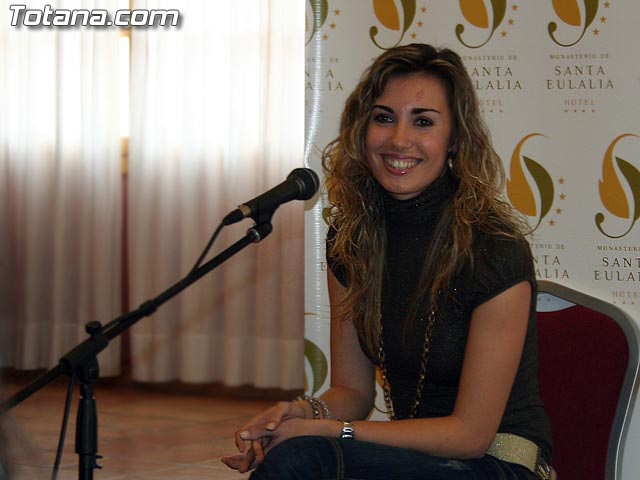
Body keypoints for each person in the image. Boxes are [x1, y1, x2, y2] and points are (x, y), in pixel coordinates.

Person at [222, 43, 554, 480]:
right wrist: (299, 414)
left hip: (496, 462)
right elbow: (352, 392)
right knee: (295, 452)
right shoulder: (351, 239)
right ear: (363, 130)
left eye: (423, 122)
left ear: (454, 139)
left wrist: (333, 431)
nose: (399, 139)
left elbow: (470, 435)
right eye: (383, 118)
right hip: (419, 459)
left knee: (304, 459)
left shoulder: (494, 249)